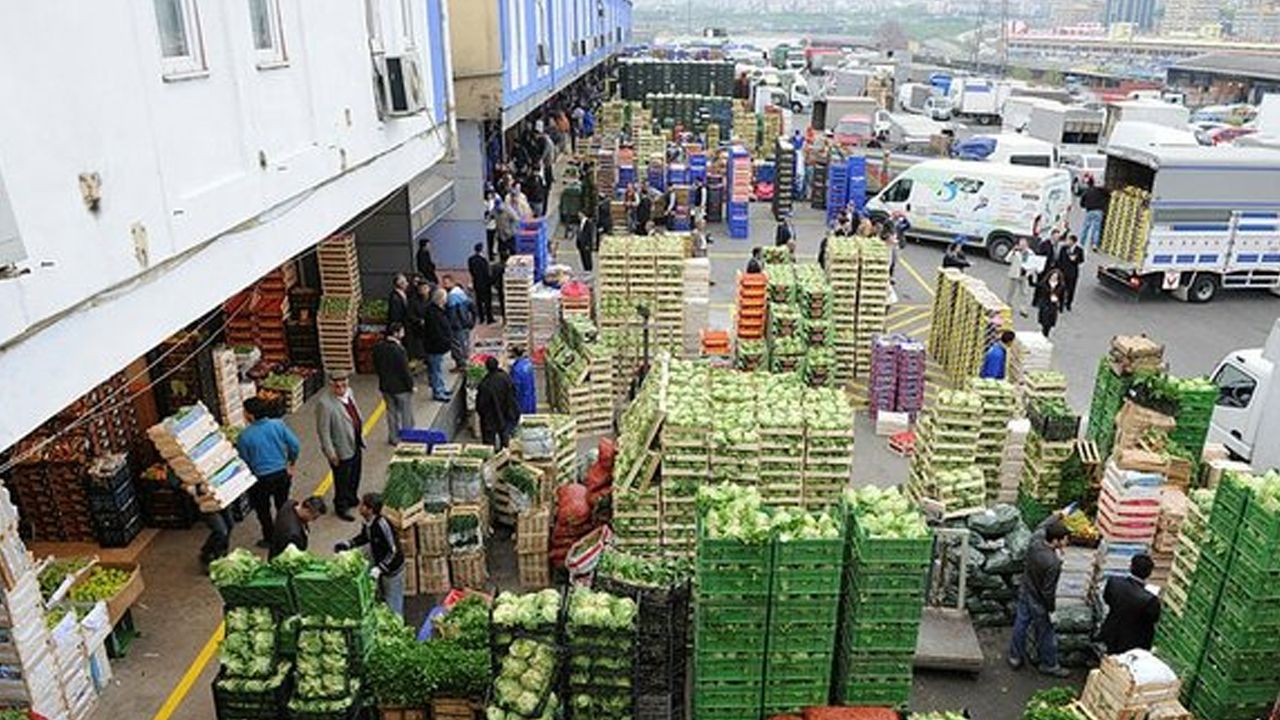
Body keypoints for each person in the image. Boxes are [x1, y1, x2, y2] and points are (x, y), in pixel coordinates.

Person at [1009, 514, 1072, 677]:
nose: (1067, 542)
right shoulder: (1053, 563)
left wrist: (1057, 516)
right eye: (1065, 539)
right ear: (1056, 541)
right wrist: (1051, 610)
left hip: (1026, 589)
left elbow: (1041, 526)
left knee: (1021, 623)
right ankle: (1049, 664)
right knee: (1046, 632)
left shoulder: (1035, 542)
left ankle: (1015, 656)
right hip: (1039, 601)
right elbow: (1048, 591)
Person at [236, 397, 300, 547]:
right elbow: (295, 445)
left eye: (244, 412)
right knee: (283, 506)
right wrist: (291, 464)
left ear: (250, 415)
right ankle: (286, 535)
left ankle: (270, 538)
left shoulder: (244, 436)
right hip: (281, 474)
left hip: (261, 479)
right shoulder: (278, 425)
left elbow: (244, 460)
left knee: (263, 510)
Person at [335, 493, 406, 617]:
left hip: (392, 569)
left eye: (363, 505)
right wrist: (349, 544)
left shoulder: (382, 525)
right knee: (383, 595)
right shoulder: (367, 522)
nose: (360, 507)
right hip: (380, 563)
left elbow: (394, 551)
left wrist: (381, 568)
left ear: (370, 509)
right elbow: (365, 537)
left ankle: (398, 625)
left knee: (393, 602)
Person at [315, 374, 365, 521]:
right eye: (337, 386)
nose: (341, 389)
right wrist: (331, 453)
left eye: (344, 385)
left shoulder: (350, 393)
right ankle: (341, 506)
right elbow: (323, 431)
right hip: (340, 449)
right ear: (331, 386)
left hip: (355, 442)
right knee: (342, 479)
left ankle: (351, 497)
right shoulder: (325, 404)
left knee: (355, 473)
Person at [1098, 553, 1161, 654]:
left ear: (1130, 567)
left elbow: (1107, 599)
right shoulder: (1150, 599)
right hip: (1134, 644)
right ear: (1149, 573)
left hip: (1110, 634)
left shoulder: (1114, 583)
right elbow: (1153, 619)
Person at [372, 323, 415, 445]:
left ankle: (393, 437)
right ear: (396, 333)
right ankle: (408, 437)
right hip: (401, 388)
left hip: (385, 386)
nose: (403, 333)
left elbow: (376, 366)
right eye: (402, 331)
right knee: (406, 413)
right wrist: (411, 385)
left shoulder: (378, 347)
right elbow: (404, 370)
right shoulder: (399, 350)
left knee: (391, 413)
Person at [475, 356, 522, 449]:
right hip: (506, 412)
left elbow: (481, 404)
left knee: (489, 440)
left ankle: (490, 456)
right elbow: (513, 392)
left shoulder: (485, 383)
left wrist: (482, 413)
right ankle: (505, 453)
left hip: (490, 416)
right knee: (505, 435)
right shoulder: (505, 377)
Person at [423, 287, 454, 401]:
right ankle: (438, 392)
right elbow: (436, 332)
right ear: (440, 299)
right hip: (435, 347)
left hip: (437, 346)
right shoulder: (433, 314)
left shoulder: (436, 311)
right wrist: (446, 341)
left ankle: (441, 388)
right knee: (436, 370)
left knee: (439, 369)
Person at [442, 276, 477, 371]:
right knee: (464, 344)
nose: (444, 285)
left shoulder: (452, 296)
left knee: (457, 346)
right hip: (465, 323)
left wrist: (449, 326)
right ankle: (465, 362)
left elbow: (452, 314)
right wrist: (472, 321)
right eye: (443, 283)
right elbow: (472, 307)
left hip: (457, 325)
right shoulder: (462, 293)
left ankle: (461, 364)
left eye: (446, 283)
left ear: (452, 282)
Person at [1079, 176, 1109, 251]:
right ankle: (1094, 244)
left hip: (1089, 211)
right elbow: (1108, 194)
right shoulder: (1099, 190)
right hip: (1099, 211)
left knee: (1085, 228)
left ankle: (1081, 243)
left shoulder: (1086, 191)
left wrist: (1085, 205)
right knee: (1096, 229)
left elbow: (1081, 204)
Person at [1005, 237, 1032, 318]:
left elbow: (1033, 263)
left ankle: (1023, 309)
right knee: (1011, 291)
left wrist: (1030, 272)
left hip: (1024, 275)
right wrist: (1013, 251)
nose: (1022, 246)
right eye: (1021, 244)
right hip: (1014, 274)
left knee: (1024, 293)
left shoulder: (1030, 253)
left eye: (1024, 244)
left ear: (1027, 245)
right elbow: (1007, 260)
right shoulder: (1015, 252)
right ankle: (1008, 304)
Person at [1057, 234, 1085, 312]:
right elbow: (1060, 259)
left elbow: (1082, 260)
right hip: (1063, 271)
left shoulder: (1079, 250)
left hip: (1072, 273)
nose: (1067, 242)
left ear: (1073, 242)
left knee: (1071, 289)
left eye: (1069, 240)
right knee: (1061, 288)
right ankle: (1060, 304)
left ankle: (1069, 303)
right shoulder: (1063, 248)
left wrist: (1075, 260)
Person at [405, 280, 430, 362]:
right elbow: (410, 315)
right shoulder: (413, 301)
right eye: (421, 288)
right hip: (417, 330)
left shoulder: (431, 300)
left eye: (425, 288)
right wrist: (419, 321)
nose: (423, 290)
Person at [510, 346, 537, 414]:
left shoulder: (516, 368)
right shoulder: (528, 364)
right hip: (530, 395)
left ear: (514, 354)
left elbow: (516, 385)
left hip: (521, 397)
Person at [1038, 268, 1064, 338]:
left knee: (1049, 322)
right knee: (1044, 321)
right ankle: (1043, 334)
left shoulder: (1061, 286)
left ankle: (1046, 334)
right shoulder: (1044, 283)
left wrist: (1061, 306)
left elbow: (1062, 297)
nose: (1054, 278)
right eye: (1053, 276)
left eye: (1056, 277)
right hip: (1045, 304)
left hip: (1053, 306)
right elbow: (1037, 287)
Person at [495, 196, 519, 260]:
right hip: (501, 235)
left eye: (499, 207)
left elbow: (516, 219)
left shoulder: (508, 210)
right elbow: (490, 216)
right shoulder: (495, 210)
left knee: (513, 251)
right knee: (502, 251)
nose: (499, 209)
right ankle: (503, 263)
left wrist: (513, 227)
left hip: (510, 234)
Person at [483, 188, 499, 259]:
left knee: (493, 239)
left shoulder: (493, 201)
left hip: (493, 224)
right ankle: (490, 254)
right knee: (489, 240)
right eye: (489, 194)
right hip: (488, 225)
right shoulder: (484, 203)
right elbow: (487, 213)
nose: (490, 195)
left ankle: (493, 251)